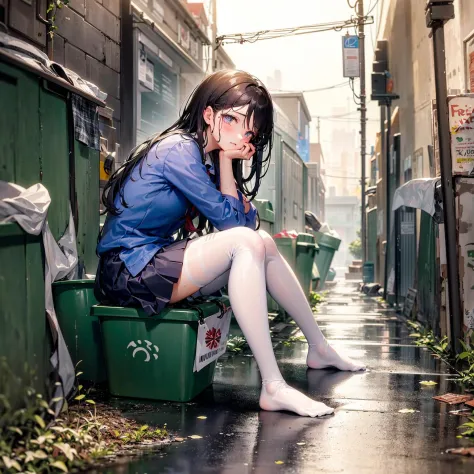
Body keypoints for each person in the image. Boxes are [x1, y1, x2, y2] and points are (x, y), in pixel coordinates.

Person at [95, 69, 365, 418]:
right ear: (208, 115)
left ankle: (319, 347)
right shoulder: (178, 150)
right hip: (126, 269)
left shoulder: (206, 157)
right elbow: (233, 225)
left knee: (262, 242)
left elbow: (244, 224)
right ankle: (273, 386)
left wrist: (224, 159)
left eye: (248, 130)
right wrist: (226, 161)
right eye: (231, 119)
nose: (240, 134)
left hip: (154, 262)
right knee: (246, 243)